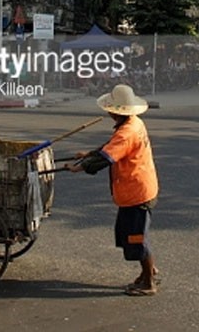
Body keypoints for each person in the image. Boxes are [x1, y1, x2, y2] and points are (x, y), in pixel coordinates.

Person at [66, 83, 159, 296]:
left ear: (115, 111)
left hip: (137, 192)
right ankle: (148, 271)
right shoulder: (134, 122)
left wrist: (79, 167)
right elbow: (110, 147)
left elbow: (106, 158)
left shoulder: (127, 132)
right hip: (137, 188)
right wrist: (88, 154)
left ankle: (148, 282)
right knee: (129, 234)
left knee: (137, 238)